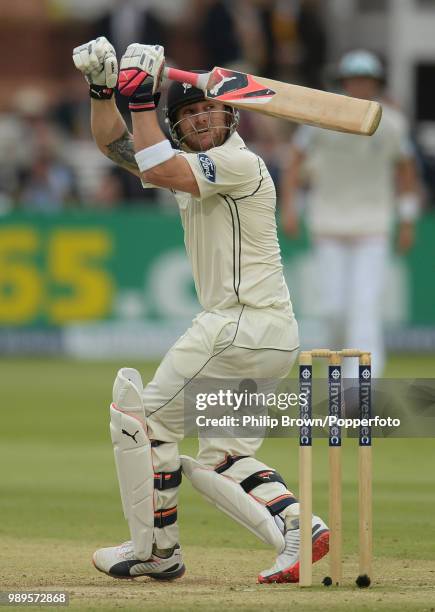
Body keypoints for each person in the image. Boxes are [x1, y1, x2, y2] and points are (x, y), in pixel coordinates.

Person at [72, 37, 328, 584]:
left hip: (236, 325)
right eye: (190, 114)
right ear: (179, 128)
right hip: (270, 335)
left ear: (231, 113)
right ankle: (301, 529)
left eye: (211, 107)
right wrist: (102, 91)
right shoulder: (187, 164)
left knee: (141, 423)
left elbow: (159, 168)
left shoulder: (236, 162)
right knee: (221, 458)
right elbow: (117, 147)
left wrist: (142, 102)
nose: (203, 119)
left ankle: (155, 551)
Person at [280, 50, 420, 378]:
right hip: (328, 223)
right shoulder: (322, 115)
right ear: (343, 82)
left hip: (372, 224)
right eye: (354, 79)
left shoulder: (393, 122)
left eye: (366, 80)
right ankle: (340, 368)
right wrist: (289, 205)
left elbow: (406, 171)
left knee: (365, 307)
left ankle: (361, 384)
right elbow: (295, 159)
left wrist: (408, 219)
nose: (360, 85)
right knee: (334, 310)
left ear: (376, 83)